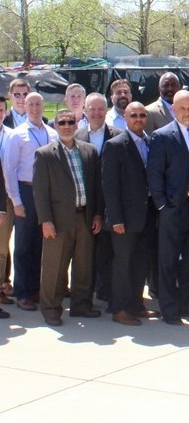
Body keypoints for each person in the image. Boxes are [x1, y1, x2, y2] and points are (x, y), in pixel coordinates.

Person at [147, 90, 189, 325]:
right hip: (174, 208)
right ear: (173, 109)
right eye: (181, 108)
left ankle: (188, 303)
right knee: (169, 260)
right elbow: (155, 174)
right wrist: (163, 205)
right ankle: (169, 308)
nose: (187, 112)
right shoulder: (162, 136)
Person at [33, 109, 102, 326]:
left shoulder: (89, 151)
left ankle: (81, 305)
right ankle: (51, 308)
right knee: (54, 266)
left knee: (83, 264)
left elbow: (96, 187)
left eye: (70, 121)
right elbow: (40, 192)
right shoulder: (45, 154)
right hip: (58, 220)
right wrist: (45, 220)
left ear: (76, 124)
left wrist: (98, 213)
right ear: (55, 126)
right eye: (61, 122)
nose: (66, 125)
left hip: (84, 217)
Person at [101, 102, 161, 326]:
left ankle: (136, 304)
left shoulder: (151, 141)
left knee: (141, 262)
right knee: (123, 264)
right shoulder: (115, 145)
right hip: (124, 218)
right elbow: (109, 185)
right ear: (125, 118)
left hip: (147, 214)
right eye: (133, 115)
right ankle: (120, 308)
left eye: (142, 115)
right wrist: (115, 218)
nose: (138, 118)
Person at [3, 92, 57, 311]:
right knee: (24, 244)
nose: (35, 108)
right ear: (25, 107)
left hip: (48, 195)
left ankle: (36, 288)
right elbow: (9, 169)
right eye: (30, 104)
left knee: (41, 244)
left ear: (43, 106)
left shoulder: (52, 133)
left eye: (38, 104)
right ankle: (23, 291)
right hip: (26, 192)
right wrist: (15, 200)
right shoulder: (18, 135)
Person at [74, 92, 122, 305]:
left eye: (100, 109)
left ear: (106, 110)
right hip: (85, 203)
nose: (96, 113)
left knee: (108, 250)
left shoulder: (119, 135)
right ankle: (86, 291)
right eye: (92, 109)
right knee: (85, 252)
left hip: (111, 203)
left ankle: (107, 291)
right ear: (85, 110)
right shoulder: (76, 136)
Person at [0, 96, 14, 305]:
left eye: (1, 110)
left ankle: (2, 286)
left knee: (2, 247)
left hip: (8, 198)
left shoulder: (13, 136)